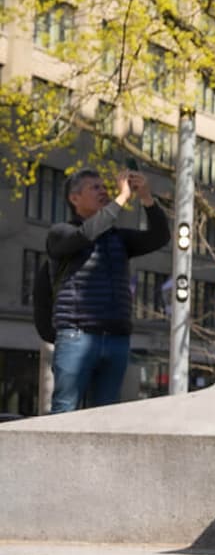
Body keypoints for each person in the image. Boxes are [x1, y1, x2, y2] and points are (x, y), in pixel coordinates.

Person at [45, 168, 169, 413]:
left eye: (104, 187)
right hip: (76, 335)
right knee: (64, 409)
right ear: (75, 198)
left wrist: (146, 198)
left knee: (104, 415)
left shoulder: (118, 238)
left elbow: (159, 237)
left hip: (116, 337)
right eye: (95, 187)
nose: (103, 191)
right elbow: (86, 233)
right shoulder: (61, 233)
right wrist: (122, 198)